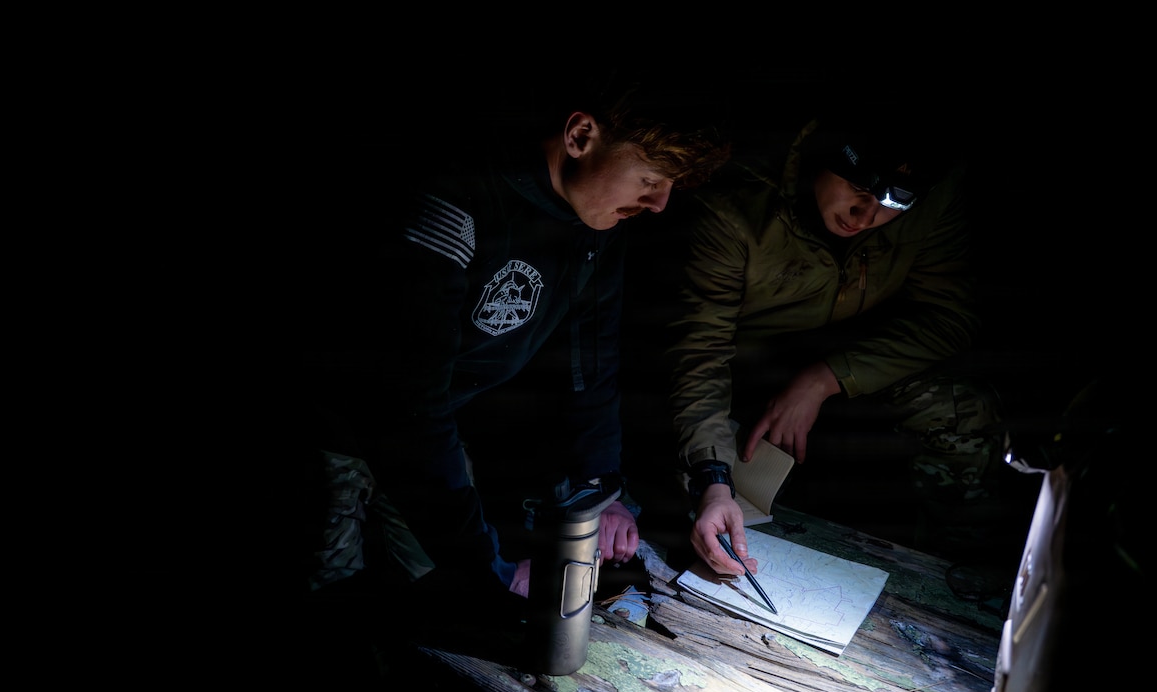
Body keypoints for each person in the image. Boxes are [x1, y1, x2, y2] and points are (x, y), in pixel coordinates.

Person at [297, 68, 732, 619]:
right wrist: (490, 568)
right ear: (580, 136)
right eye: (650, 178)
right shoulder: (455, 198)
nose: (660, 203)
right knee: (334, 588)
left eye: (672, 186)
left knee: (437, 597)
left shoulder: (595, 224)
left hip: (435, 433)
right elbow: (408, 407)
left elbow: (591, 369)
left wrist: (604, 492)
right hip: (337, 424)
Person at [653, 102, 1032, 582]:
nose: (866, 213)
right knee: (694, 487)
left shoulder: (934, 196)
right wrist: (712, 479)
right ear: (824, 158)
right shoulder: (740, 207)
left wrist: (827, 378)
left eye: (894, 203)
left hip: (849, 375)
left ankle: (959, 582)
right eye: (858, 187)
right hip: (739, 378)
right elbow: (698, 353)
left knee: (959, 409)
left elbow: (950, 318)